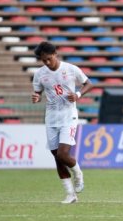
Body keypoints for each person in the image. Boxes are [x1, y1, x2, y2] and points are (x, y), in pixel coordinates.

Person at [31, 41, 93, 204]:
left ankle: (78, 173)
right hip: (51, 118)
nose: (46, 62)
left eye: (48, 59)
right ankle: (70, 195)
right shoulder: (39, 74)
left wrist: (78, 95)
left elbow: (89, 83)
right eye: (43, 60)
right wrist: (36, 97)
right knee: (57, 158)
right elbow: (37, 92)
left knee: (62, 154)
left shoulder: (70, 69)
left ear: (55, 55)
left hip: (68, 116)